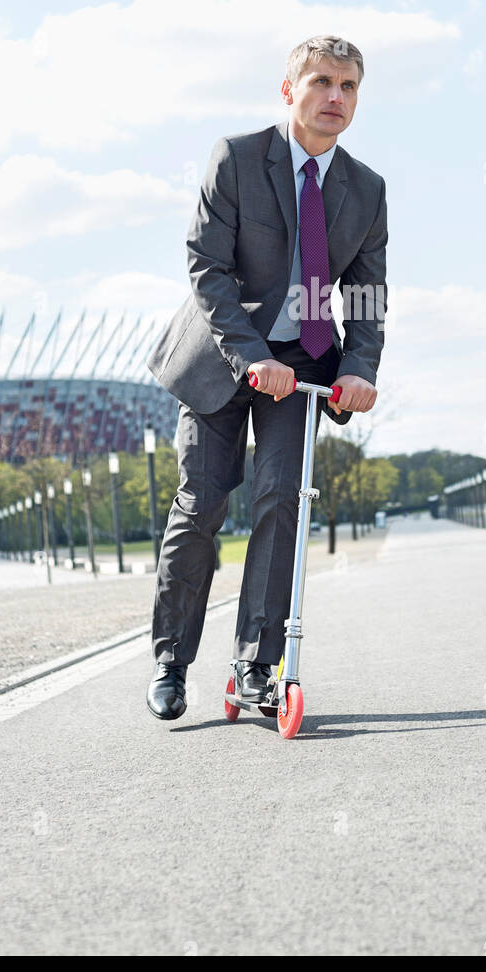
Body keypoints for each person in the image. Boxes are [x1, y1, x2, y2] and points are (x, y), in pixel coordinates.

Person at [144, 35, 388, 719]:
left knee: (284, 502)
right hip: (225, 358)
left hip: (306, 363)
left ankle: (258, 664)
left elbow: (366, 296)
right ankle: (171, 660)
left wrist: (362, 368)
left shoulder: (366, 191)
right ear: (290, 91)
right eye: (321, 82)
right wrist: (252, 356)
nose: (335, 97)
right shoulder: (239, 158)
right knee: (204, 506)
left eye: (348, 86)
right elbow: (207, 269)